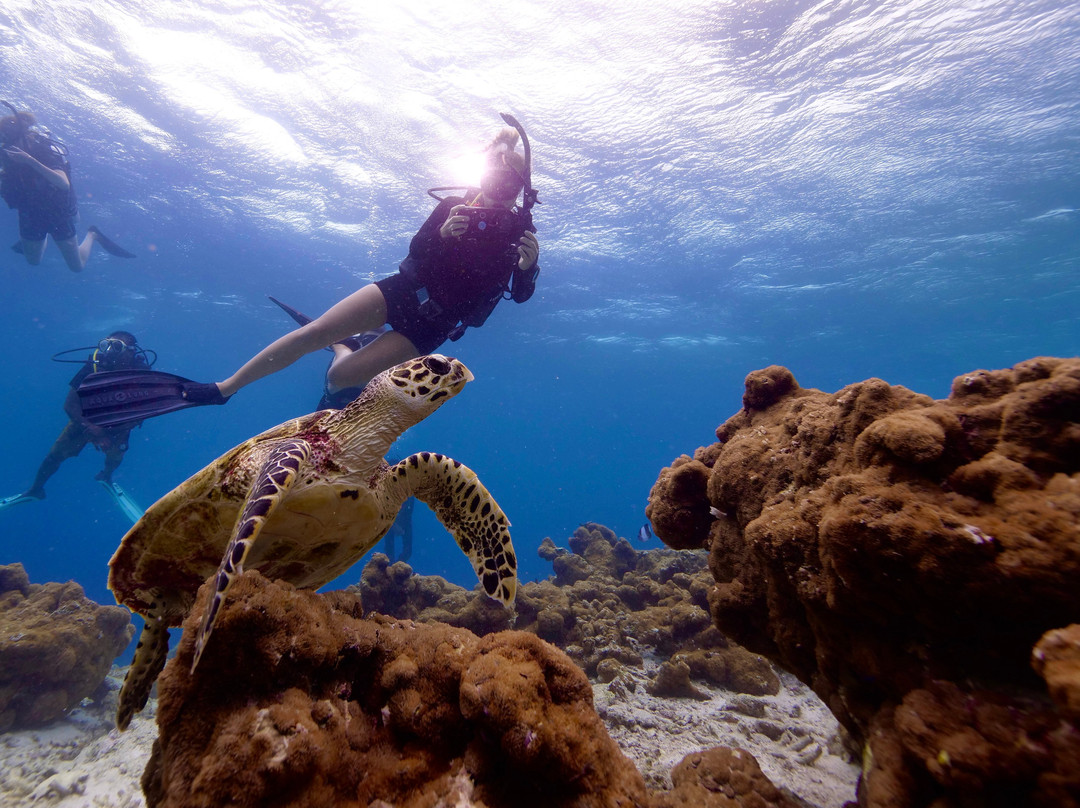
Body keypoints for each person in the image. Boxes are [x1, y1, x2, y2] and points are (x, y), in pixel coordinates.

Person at [181, 124, 541, 408]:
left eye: (512, 178)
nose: (501, 184)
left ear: (522, 186)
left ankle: (346, 348)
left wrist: (528, 268)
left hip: (435, 324)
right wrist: (444, 234)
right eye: (496, 171)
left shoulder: (521, 230)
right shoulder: (451, 206)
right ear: (482, 172)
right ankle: (224, 389)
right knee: (313, 332)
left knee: (339, 379)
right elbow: (416, 251)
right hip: (404, 292)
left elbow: (519, 296)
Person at [0, 332, 150, 509]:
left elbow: (144, 411)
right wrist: (92, 428)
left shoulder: (142, 374)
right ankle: (35, 491)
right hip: (86, 420)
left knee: (117, 453)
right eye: (106, 345)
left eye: (117, 347)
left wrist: (114, 430)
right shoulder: (94, 366)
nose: (110, 351)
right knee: (55, 455)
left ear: (131, 351)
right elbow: (69, 405)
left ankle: (106, 476)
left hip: (120, 423)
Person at [0, 103, 134, 271]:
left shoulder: (43, 150)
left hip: (57, 210)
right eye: (5, 139)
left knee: (76, 266)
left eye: (11, 138)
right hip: (30, 212)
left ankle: (93, 234)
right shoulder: (8, 156)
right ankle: (41, 236)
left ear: (22, 134)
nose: (9, 144)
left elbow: (63, 183)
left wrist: (29, 160)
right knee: (33, 261)